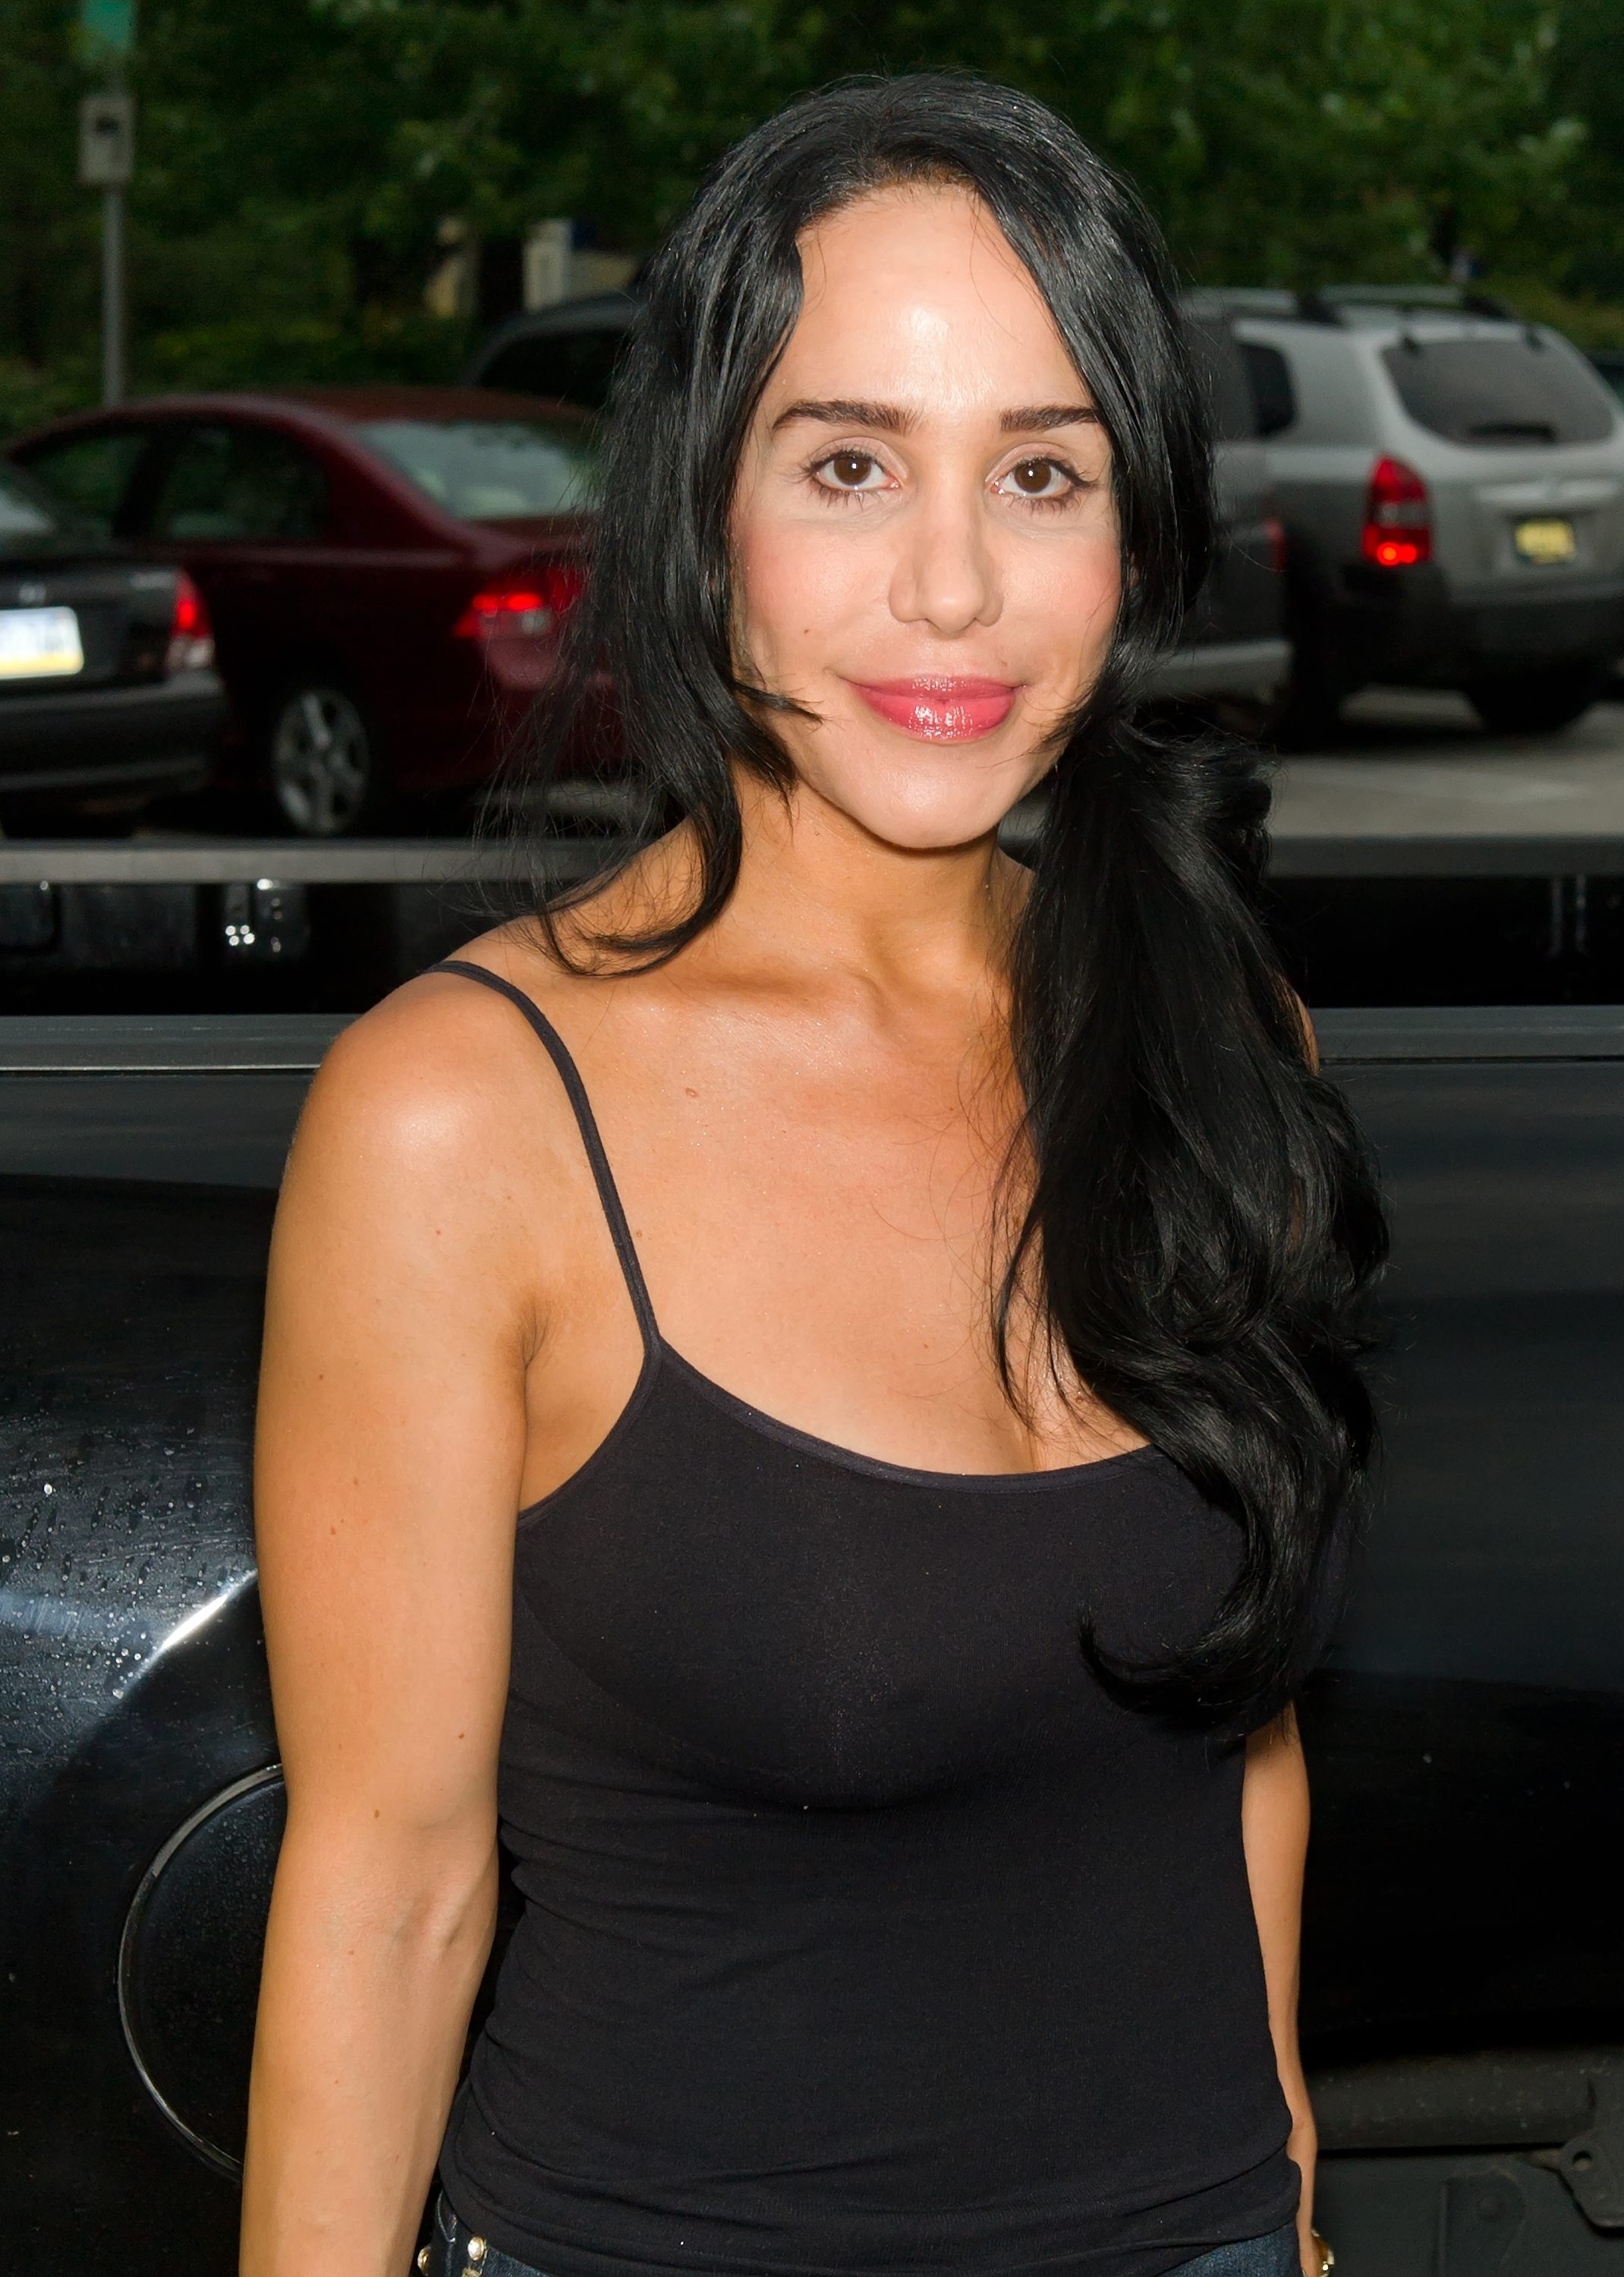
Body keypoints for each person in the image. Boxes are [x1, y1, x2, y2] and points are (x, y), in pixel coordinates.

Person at [242, 73, 1383, 2277]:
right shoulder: (460, 1122)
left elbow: (1237, 1756)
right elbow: (386, 1898)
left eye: (1036, 474)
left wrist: (1297, 2215)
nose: (948, 587)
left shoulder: (1218, 1035)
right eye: (849, 464)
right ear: (701, 512)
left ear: (1132, 534)